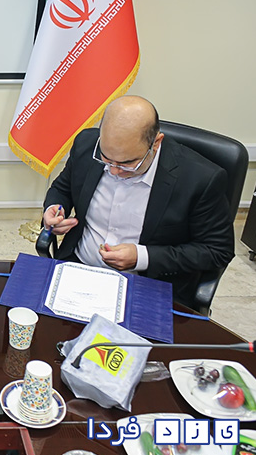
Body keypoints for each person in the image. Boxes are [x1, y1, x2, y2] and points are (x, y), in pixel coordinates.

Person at [42, 95, 234, 303]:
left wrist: (142, 257)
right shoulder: (86, 144)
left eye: (127, 163)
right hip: (78, 267)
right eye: (106, 159)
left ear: (156, 143)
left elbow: (217, 251)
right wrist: (55, 208)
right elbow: (62, 188)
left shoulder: (200, 178)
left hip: (147, 286)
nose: (114, 171)